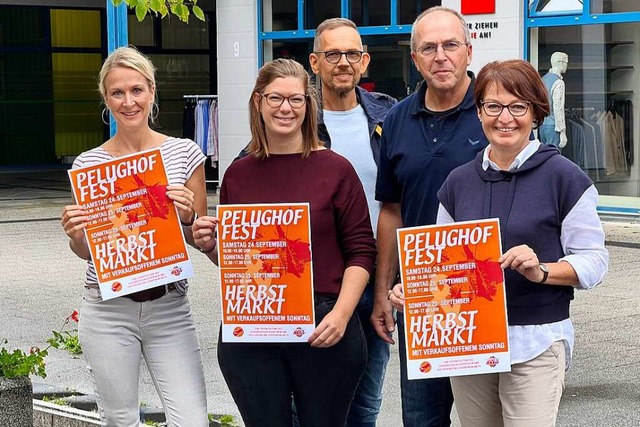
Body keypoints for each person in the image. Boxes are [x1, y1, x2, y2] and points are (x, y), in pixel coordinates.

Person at [397, 58, 607, 427]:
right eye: (492, 106)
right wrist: (414, 292)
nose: (504, 118)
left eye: (518, 107)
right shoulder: (458, 182)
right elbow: (444, 269)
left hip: (535, 342)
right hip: (471, 342)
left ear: (536, 114)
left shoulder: (565, 177)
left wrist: (541, 270)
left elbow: (593, 261)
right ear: (479, 112)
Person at [192, 58, 376, 427]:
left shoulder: (336, 169)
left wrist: (342, 315)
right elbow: (239, 262)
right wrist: (212, 246)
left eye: (296, 100)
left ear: (308, 107)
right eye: (276, 98)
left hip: (324, 323)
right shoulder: (238, 174)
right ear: (258, 102)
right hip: (254, 327)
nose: (285, 108)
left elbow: (361, 251)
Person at [60, 46, 208, 426]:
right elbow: (86, 251)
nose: (129, 101)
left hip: (169, 306)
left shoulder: (183, 153)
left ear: (152, 91)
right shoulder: (89, 165)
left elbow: (199, 236)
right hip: (108, 308)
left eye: (136, 90)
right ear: (105, 98)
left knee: (191, 419)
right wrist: (77, 234)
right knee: (120, 419)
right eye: (118, 93)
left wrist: (189, 215)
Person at [372, 6, 488, 427]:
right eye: (429, 48)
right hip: (422, 295)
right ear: (416, 59)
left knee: (489, 418)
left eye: (450, 45)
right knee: (422, 418)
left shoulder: (494, 112)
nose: (441, 56)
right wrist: (384, 290)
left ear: (469, 51)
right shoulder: (398, 118)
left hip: (486, 293)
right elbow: (391, 209)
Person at [309, 17, 397, 426]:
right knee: (311, 403)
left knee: (365, 403)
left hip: (378, 277)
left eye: (351, 54)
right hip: (319, 282)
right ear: (315, 62)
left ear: (364, 61)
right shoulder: (293, 115)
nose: (342, 62)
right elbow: (251, 174)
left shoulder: (390, 116)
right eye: (332, 54)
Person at [540, 52, 569, 149]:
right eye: (566, 63)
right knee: (554, 158)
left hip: (543, 126)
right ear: (560, 63)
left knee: (544, 157)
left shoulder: (542, 80)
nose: (567, 66)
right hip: (554, 127)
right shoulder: (558, 82)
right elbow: (558, 108)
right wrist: (562, 131)